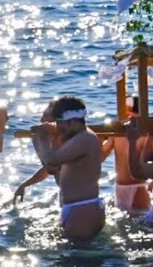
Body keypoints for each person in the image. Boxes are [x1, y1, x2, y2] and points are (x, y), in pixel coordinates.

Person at [31, 96, 105, 239]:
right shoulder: (77, 137)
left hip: (83, 209)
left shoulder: (85, 138)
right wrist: (38, 140)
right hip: (77, 207)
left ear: (73, 121)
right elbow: (51, 167)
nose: (58, 127)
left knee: (77, 251)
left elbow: (52, 159)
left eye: (60, 123)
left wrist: (42, 138)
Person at [110, 96, 153, 213]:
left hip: (137, 187)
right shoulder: (116, 132)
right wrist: (100, 138)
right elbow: (100, 157)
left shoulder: (145, 133)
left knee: (138, 221)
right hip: (119, 187)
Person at [13, 104, 61, 203]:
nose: (41, 120)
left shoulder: (67, 140)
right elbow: (48, 169)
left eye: (45, 116)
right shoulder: (49, 140)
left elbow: (52, 167)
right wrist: (24, 185)